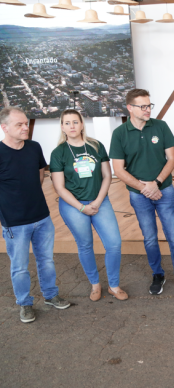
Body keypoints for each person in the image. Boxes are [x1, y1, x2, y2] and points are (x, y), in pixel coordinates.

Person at [110, 89, 174, 296]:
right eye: (142, 106)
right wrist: (144, 188)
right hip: (138, 195)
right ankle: (158, 274)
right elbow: (118, 170)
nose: (147, 109)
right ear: (130, 108)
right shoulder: (119, 134)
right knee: (150, 238)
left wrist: (156, 183)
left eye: (149, 105)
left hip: (164, 190)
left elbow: (171, 159)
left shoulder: (160, 126)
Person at [0, 107, 70, 323]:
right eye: (19, 124)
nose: (25, 128)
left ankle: (50, 295)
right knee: (20, 267)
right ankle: (25, 303)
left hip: (42, 217)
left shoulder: (34, 147)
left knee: (46, 260)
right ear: (4, 128)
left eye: (25, 123)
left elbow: (40, 175)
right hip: (14, 223)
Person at [50, 109, 127, 301]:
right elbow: (59, 187)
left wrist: (98, 201)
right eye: (67, 123)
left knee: (114, 244)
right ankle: (95, 285)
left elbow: (107, 176)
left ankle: (114, 286)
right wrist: (81, 207)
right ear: (62, 127)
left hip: (99, 201)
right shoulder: (58, 153)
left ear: (82, 124)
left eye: (75, 122)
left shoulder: (96, 146)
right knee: (85, 245)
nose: (72, 126)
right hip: (73, 205)